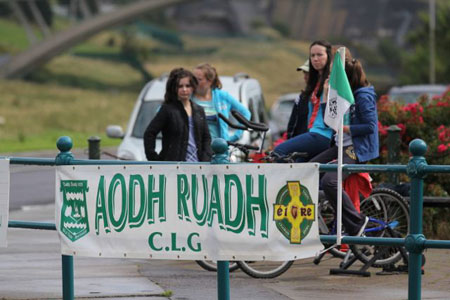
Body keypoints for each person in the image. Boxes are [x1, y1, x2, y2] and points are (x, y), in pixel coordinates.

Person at [310, 49, 379, 236]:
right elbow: (328, 121)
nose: (329, 77)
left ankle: (356, 222)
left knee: (330, 181)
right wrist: (325, 95)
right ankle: (333, 214)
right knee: (308, 169)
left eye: (333, 75)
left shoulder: (363, 95)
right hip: (340, 146)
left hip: (356, 149)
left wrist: (347, 129)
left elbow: (371, 126)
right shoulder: (338, 95)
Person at [272, 40, 334, 162]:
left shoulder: (332, 81)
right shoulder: (314, 84)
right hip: (313, 133)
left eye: (319, 55)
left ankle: (278, 181)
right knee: (299, 166)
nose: (315, 59)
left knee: (279, 152)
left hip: (323, 134)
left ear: (328, 56)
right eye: (312, 55)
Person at [144, 68, 212, 162]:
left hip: (197, 169)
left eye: (188, 86)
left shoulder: (199, 110)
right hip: (174, 170)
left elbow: (206, 138)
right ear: (174, 88)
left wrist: (205, 159)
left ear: (193, 87)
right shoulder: (167, 110)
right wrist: (154, 159)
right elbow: (149, 133)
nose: (184, 89)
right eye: (180, 86)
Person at [192, 63, 251, 142]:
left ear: (210, 81)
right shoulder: (188, 97)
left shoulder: (222, 96)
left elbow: (246, 113)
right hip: (194, 148)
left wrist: (236, 136)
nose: (193, 82)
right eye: (192, 78)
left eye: (199, 79)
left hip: (218, 150)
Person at [285, 59, 310, 139]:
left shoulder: (322, 95)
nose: (305, 77)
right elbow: (292, 123)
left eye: (308, 73)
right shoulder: (301, 96)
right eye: (304, 73)